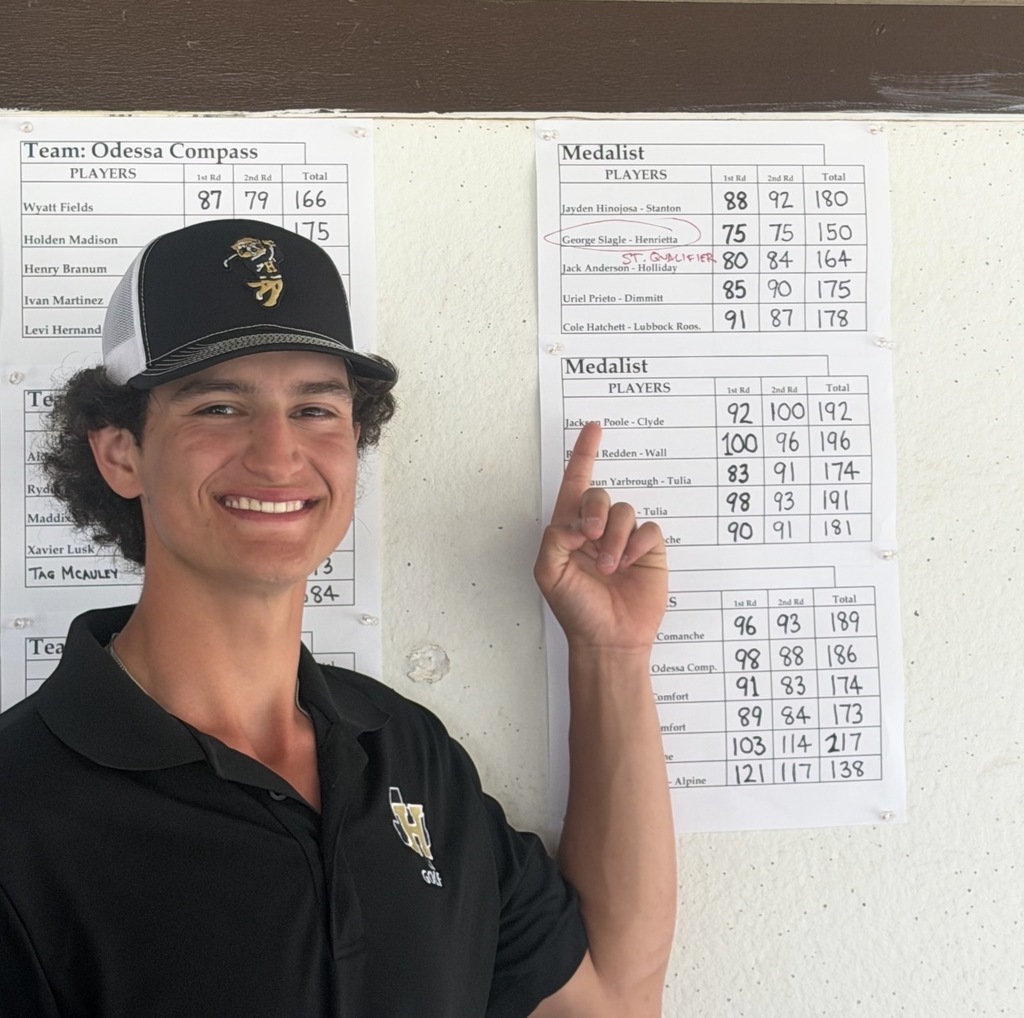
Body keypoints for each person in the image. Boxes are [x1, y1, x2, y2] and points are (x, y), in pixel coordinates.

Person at [0, 219, 675, 1016]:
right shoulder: (20, 815)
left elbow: (611, 1003)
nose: (279, 454)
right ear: (121, 455)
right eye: (219, 406)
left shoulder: (405, 752)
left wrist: (610, 655)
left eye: (317, 409)